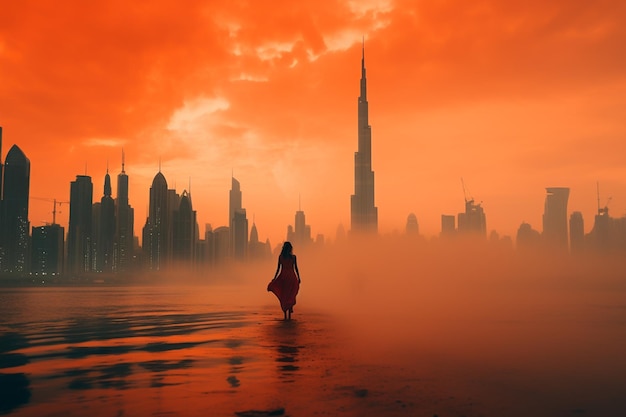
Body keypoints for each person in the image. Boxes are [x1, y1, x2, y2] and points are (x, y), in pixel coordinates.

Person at [267, 241, 301, 320]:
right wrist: (299, 277)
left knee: (285, 295)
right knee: (291, 294)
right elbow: (296, 268)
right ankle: (289, 314)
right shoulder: (293, 257)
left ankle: (285, 315)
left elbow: (278, 268)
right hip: (292, 278)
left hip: (284, 278)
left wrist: (275, 278)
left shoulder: (281, 257)